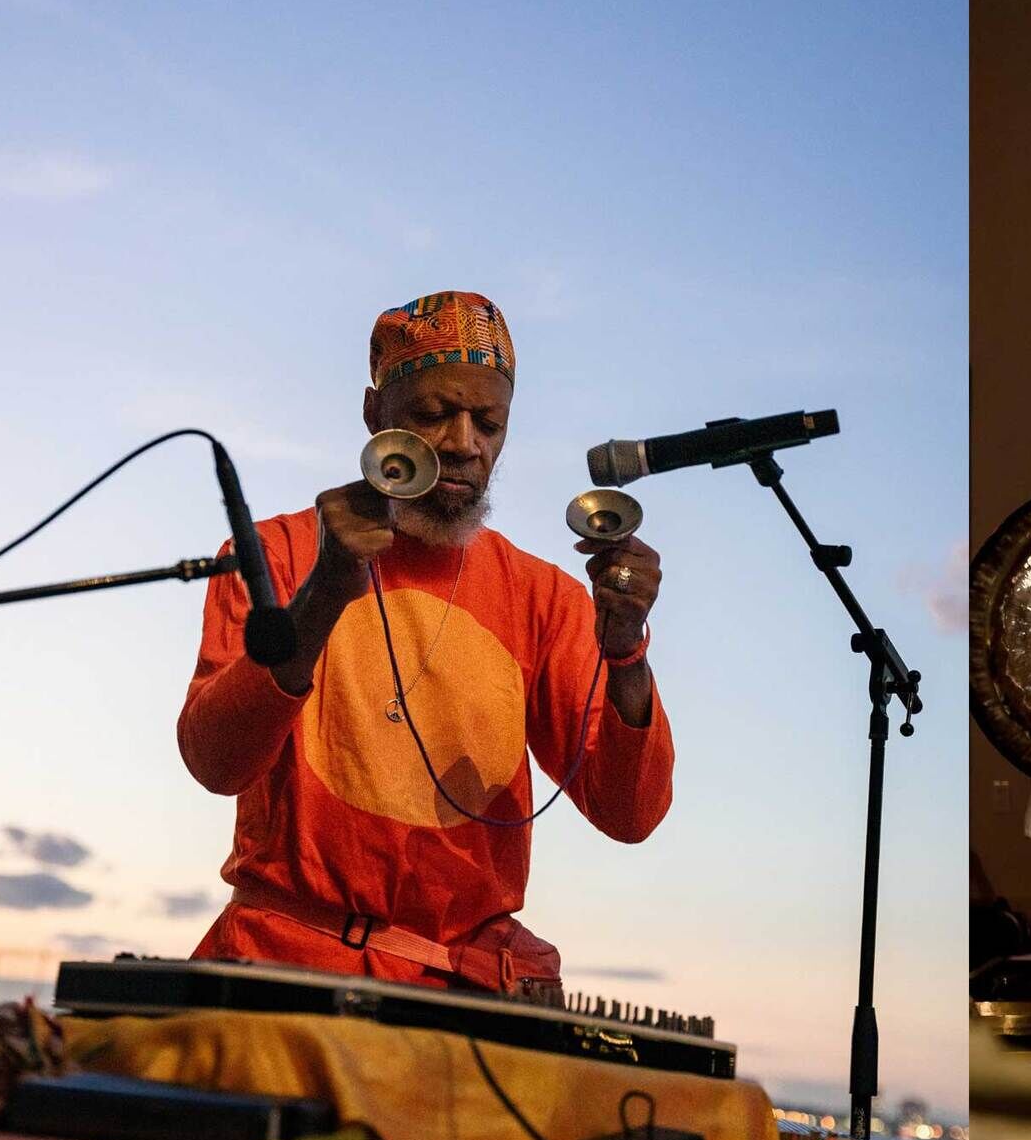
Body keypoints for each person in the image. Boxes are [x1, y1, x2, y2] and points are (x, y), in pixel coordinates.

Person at [177, 291, 674, 995]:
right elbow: (213, 758)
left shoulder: (546, 598)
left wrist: (625, 649)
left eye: (489, 422)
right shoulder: (276, 554)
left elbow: (630, 814)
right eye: (434, 415)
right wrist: (323, 591)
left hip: (458, 998)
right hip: (280, 969)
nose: (465, 443)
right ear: (375, 416)